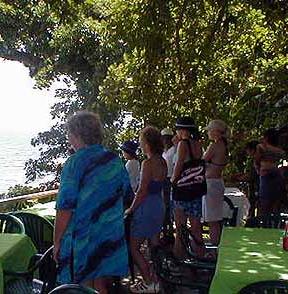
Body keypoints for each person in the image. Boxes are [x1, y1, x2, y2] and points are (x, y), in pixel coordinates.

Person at [54, 111, 133, 294]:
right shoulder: (114, 160)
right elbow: (127, 195)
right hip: (109, 233)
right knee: (100, 284)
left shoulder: (74, 163)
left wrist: (57, 241)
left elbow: (65, 208)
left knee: (83, 287)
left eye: (69, 134)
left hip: (84, 238)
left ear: (76, 134)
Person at [125, 126, 167, 293]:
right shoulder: (162, 161)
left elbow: (142, 191)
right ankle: (156, 280)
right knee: (154, 246)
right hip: (158, 205)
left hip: (146, 208)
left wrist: (131, 209)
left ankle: (148, 281)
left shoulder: (148, 163)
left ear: (147, 143)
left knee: (134, 248)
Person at [170, 117, 205, 259]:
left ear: (182, 129)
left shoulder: (183, 144)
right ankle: (200, 257)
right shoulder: (198, 144)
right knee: (196, 228)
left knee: (180, 228)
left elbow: (178, 166)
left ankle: (180, 259)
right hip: (196, 189)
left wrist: (172, 180)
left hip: (183, 191)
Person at [203, 120, 229, 246]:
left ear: (216, 132)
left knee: (212, 220)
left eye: (210, 130)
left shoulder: (214, 146)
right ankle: (217, 246)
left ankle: (215, 249)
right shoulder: (224, 146)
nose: (208, 132)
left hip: (211, 184)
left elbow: (202, 161)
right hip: (218, 182)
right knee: (216, 219)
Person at [254, 128, 285, 216]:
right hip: (277, 174)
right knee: (275, 201)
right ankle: (273, 222)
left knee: (264, 200)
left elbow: (257, 160)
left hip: (265, 173)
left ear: (266, 137)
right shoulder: (280, 151)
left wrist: (258, 169)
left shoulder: (261, 147)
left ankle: (262, 222)